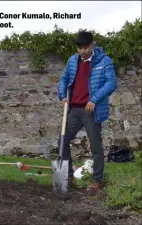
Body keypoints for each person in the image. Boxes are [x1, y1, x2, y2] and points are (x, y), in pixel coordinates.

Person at [57, 31, 117, 192]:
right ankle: (68, 175)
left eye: (86, 47)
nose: (83, 51)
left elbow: (111, 83)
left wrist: (94, 99)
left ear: (92, 44)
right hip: (74, 110)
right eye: (80, 48)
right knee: (62, 141)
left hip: (91, 111)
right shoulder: (72, 61)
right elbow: (63, 79)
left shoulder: (104, 62)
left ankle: (97, 180)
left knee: (95, 146)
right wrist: (62, 95)